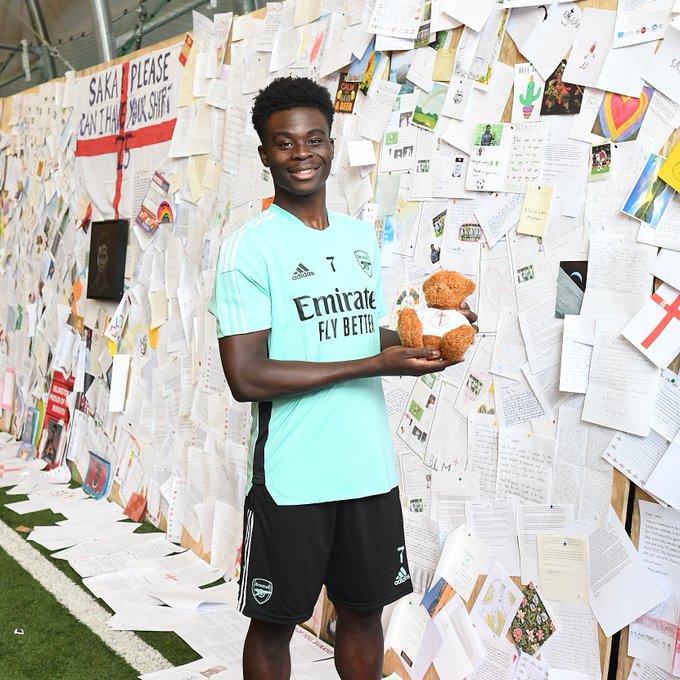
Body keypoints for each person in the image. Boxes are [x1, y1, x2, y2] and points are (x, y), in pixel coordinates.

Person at [209, 76, 477, 680]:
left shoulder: (360, 239)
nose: (302, 153)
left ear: (332, 144)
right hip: (293, 476)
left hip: (368, 469)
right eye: (284, 142)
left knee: (363, 614)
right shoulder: (248, 250)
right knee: (275, 624)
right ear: (264, 155)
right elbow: (246, 376)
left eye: (314, 139)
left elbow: (360, 334)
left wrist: (430, 332)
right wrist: (371, 364)